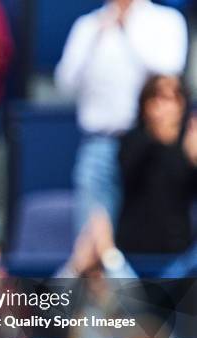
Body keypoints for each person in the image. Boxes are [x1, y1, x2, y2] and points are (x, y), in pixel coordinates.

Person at [55, 0, 187, 231]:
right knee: (91, 239)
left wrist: (127, 27)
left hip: (154, 145)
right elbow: (65, 84)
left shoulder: (167, 20)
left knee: (153, 233)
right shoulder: (88, 25)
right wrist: (96, 37)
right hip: (100, 143)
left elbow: (169, 73)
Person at [116, 75, 197, 254]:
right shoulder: (132, 139)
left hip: (177, 250)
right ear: (145, 104)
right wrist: (156, 136)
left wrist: (194, 160)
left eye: (172, 98)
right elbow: (129, 174)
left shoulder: (188, 144)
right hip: (135, 249)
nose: (164, 106)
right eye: (157, 97)